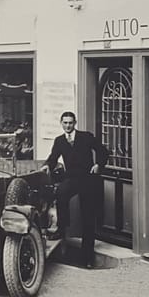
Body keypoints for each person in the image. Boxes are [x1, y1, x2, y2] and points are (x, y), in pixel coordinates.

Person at [40, 111, 109, 268]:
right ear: (61, 123)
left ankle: (87, 258)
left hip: (87, 179)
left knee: (88, 218)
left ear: (75, 122)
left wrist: (99, 165)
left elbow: (103, 151)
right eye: (65, 123)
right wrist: (45, 166)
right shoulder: (59, 141)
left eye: (70, 123)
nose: (68, 126)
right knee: (61, 194)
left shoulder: (86, 137)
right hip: (71, 178)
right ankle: (63, 226)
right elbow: (53, 158)